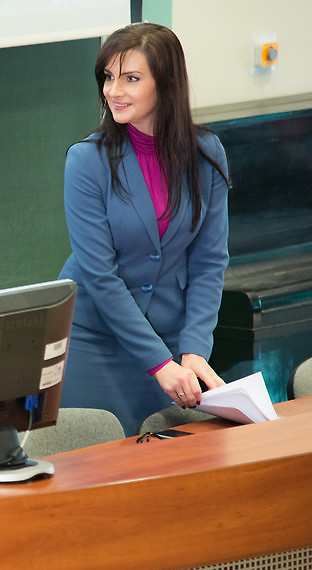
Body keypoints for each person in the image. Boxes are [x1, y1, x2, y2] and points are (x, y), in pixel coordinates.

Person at [57, 23, 231, 435]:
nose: (114, 91)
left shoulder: (206, 154)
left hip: (173, 339)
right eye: (108, 77)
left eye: (131, 78)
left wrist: (194, 348)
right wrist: (158, 363)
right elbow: (100, 275)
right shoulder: (86, 161)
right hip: (94, 342)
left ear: (165, 84)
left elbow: (209, 262)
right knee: (94, 464)